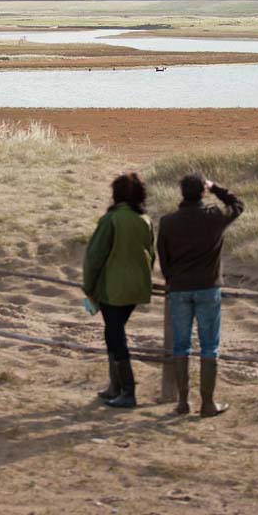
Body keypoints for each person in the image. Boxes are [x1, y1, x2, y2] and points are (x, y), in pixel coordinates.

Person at [157, 174, 244, 417]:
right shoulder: (214, 217)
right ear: (202, 193)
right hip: (207, 287)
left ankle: (183, 402)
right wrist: (216, 187)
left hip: (180, 288)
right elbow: (237, 205)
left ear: (181, 193)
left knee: (181, 345)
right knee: (208, 347)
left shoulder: (168, 222)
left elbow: (164, 259)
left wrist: (172, 280)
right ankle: (207, 403)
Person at [82, 172, 156, 409]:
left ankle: (127, 391)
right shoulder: (144, 220)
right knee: (113, 332)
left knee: (115, 336)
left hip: (113, 287)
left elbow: (94, 257)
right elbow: (150, 254)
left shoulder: (111, 220)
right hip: (137, 286)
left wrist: (89, 286)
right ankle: (116, 387)